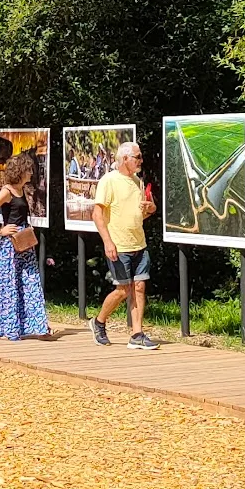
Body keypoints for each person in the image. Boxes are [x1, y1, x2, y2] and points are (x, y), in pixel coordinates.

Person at [91, 140, 158, 349]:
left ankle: (137, 334)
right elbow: (97, 214)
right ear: (125, 158)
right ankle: (99, 322)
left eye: (140, 157)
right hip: (118, 245)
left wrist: (151, 209)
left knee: (139, 287)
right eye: (137, 157)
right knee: (123, 290)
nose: (141, 161)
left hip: (139, 243)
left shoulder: (138, 182)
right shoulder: (108, 181)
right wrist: (107, 241)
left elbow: (140, 214)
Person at [0, 151, 49, 340]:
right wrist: (0, 230)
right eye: (28, 170)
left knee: (28, 281)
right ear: (20, 171)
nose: (31, 173)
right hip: (11, 244)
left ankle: (32, 326)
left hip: (24, 241)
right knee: (8, 283)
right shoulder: (7, 191)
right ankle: (3, 325)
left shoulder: (21, 190)